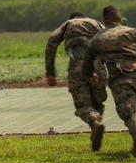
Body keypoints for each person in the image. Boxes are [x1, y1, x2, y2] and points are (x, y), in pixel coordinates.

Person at [81, 5, 136, 161]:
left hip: (120, 78)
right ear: (119, 19)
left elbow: (87, 64)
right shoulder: (132, 32)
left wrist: (90, 75)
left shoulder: (98, 38)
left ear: (105, 21)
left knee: (130, 111)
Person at [45, 12, 109, 151]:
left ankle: (94, 123)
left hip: (78, 68)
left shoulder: (68, 24)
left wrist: (50, 72)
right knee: (97, 102)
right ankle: (95, 127)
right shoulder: (97, 24)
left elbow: (52, 42)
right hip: (99, 69)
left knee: (83, 104)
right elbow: (110, 41)